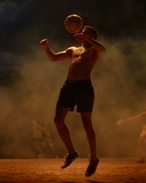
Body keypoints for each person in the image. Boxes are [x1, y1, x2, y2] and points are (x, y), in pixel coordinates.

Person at [40, 25, 105, 176]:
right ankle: (71, 152)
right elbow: (53, 58)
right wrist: (46, 47)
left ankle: (93, 158)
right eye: (83, 32)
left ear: (92, 37)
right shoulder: (73, 50)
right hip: (68, 86)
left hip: (84, 87)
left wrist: (87, 39)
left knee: (87, 123)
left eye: (86, 33)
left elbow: (103, 49)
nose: (82, 33)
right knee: (58, 120)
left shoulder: (94, 50)